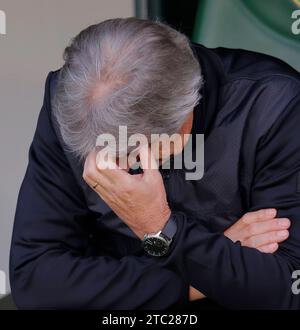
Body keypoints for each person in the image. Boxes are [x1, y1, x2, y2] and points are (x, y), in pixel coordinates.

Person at [10, 18, 300, 309]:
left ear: (187, 111)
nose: (108, 163)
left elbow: (287, 289)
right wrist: (203, 272)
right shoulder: (74, 103)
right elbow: (35, 283)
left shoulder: (275, 106)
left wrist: (158, 226)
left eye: (125, 151)